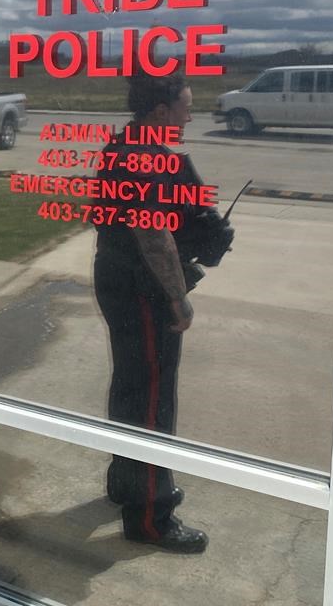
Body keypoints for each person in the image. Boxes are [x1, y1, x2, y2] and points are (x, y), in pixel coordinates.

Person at [93, 70, 232, 554]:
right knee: (153, 401)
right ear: (160, 113)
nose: (190, 116)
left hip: (116, 279)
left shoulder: (122, 146)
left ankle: (125, 482)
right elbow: (154, 238)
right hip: (143, 290)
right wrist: (178, 296)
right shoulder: (145, 159)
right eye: (185, 108)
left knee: (131, 385)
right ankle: (151, 516)